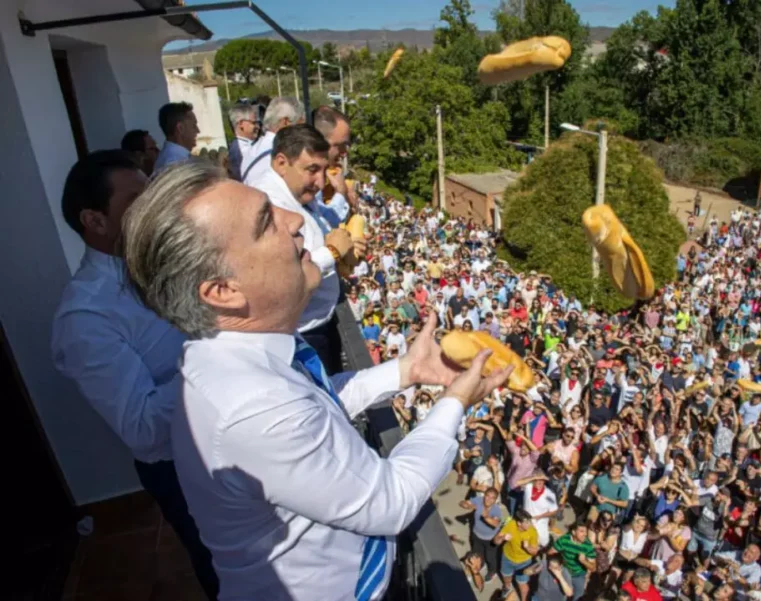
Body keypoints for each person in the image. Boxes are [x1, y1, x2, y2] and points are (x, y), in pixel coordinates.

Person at [121, 161, 513, 601]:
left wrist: (405, 372)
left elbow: (316, 407)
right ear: (223, 291)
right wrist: (455, 403)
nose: (294, 221)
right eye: (266, 222)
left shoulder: (233, 360)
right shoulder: (256, 405)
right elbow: (392, 500)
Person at [51, 151, 218, 598]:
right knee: (224, 564)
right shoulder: (85, 316)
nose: (155, 210)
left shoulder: (160, 262)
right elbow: (144, 429)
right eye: (138, 201)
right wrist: (218, 359)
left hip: (226, 432)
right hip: (182, 464)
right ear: (95, 220)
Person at [247, 123, 354, 373]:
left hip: (316, 325)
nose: (319, 182)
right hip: (301, 335)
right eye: (312, 170)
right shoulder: (266, 202)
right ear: (282, 163)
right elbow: (281, 275)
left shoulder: (296, 191)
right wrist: (333, 254)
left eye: (324, 170)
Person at [242, 96, 304, 183]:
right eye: (300, 126)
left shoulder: (251, 151)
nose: (303, 132)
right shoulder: (282, 156)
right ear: (285, 122)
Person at [311, 106, 356, 225]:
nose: (344, 152)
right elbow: (322, 224)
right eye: (340, 145)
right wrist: (341, 193)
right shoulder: (308, 177)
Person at [154, 101, 199, 171]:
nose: (198, 131)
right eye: (193, 126)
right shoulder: (174, 162)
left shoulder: (176, 157)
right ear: (180, 128)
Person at [226, 102, 259, 180]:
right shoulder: (240, 150)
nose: (257, 126)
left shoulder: (246, 145)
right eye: (253, 123)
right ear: (241, 124)